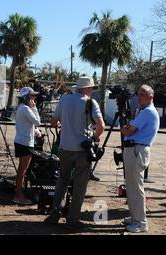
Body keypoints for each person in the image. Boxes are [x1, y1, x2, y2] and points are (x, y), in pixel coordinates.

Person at [45, 76, 105, 229]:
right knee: (79, 185)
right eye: (91, 88)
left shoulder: (64, 99)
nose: (91, 91)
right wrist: (94, 138)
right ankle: (72, 220)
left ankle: (54, 214)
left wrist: (67, 124)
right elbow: (101, 126)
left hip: (65, 148)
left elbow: (53, 122)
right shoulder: (90, 102)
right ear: (87, 89)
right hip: (82, 150)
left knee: (62, 181)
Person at [121, 85, 160, 233]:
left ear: (151, 97)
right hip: (136, 149)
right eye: (139, 94)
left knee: (135, 188)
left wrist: (126, 128)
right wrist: (128, 128)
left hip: (137, 150)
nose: (139, 97)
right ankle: (135, 218)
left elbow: (129, 131)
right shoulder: (143, 111)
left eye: (143, 94)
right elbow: (130, 130)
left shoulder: (148, 112)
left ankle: (141, 223)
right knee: (132, 187)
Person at [13, 87, 41, 205]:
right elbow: (37, 121)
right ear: (26, 98)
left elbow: (28, 124)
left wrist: (35, 131)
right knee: (22, 170)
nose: (34, 98)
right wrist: (34, 108)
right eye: (31, 96)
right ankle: (18, 195)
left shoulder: (21, 108)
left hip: (21, 140)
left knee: (22, 169)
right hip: (25, 142)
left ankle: (19, 193)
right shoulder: (26, 108)